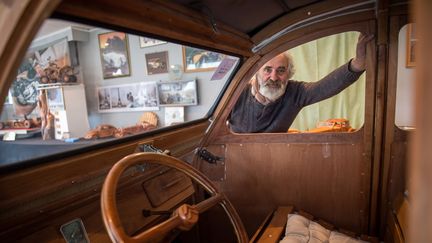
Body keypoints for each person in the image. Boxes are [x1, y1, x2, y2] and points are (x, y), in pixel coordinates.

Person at [229, 33, 374, 133]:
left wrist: (357, 64)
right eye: (267, 70)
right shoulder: (237, 91)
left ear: (289, 73)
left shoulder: (295, 92)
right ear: (257, 72)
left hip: (272, 157)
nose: (273, 77)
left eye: (280, 70)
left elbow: (325, 87)